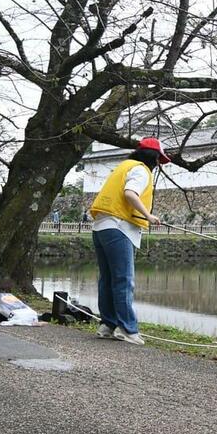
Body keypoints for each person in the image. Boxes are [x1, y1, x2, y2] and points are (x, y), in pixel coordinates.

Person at [88, 137, 169, 345]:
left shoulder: (123, 166)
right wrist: (149, 216)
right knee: (124, 279)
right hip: (119, 228)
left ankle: (107, 325)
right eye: (159, 160)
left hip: (101, 227)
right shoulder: (142, 170)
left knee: (107, 279)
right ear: (154, 158)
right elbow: (130, 194)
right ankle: (127, 329)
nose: (159, 165)